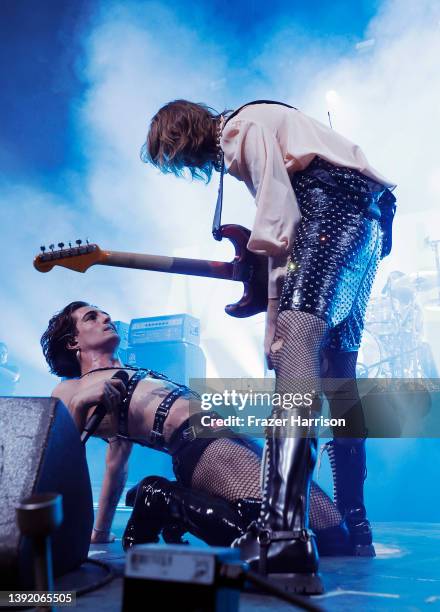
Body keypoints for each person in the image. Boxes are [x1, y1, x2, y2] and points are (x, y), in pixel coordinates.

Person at [143, 100, 397, 592]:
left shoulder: (240, 130)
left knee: (294, 354)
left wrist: (275, 317)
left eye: (174, 155)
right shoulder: (261, 122)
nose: (187, 167)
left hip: (331, 210)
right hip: (370, 220)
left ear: (183, 135)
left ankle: (283, 537)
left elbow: (279, 214)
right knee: (340, 380)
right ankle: (354, 527)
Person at [42, 301, 351, 553]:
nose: (106, 317)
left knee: (335, 535)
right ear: (73, 342)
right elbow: (62, 453)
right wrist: (84, 400)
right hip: (200, 447)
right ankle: (160, 497)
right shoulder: (70, 389)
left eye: (104, 312)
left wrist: (101, 531)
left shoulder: (135, 371)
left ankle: (168, 498)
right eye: (91, 317)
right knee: (268, 540)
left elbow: (116, 464)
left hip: (233, 438)